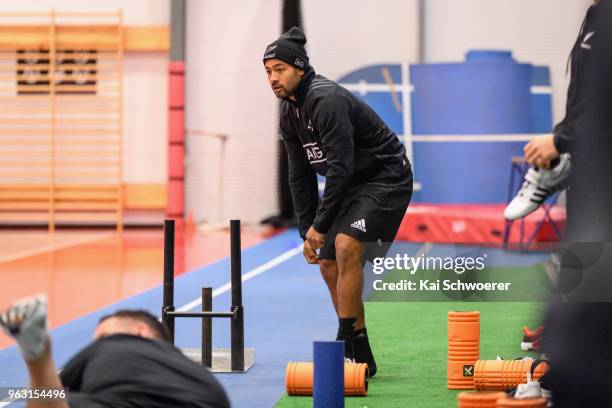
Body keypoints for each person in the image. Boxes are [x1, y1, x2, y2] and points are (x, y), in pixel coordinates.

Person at [263, 27, 413, 377]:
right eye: (268, 71)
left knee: (345, 245)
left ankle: (344, 338)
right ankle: (359, 347)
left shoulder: (325, 99)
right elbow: (299, 176)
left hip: (385, 179)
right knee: (327, 261)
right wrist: (307, 231)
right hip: (352, 185)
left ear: (300, 68)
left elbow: (341, 169)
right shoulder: (290, 112)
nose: (272, 77)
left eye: (279, 69)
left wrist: (321, 225)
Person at [0, 295, 230, 408]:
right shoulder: (192, 370)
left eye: (102, 336)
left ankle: (38, 356)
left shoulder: (112, 346)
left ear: (140, 331)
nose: (98, 341)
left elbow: (51, 394)